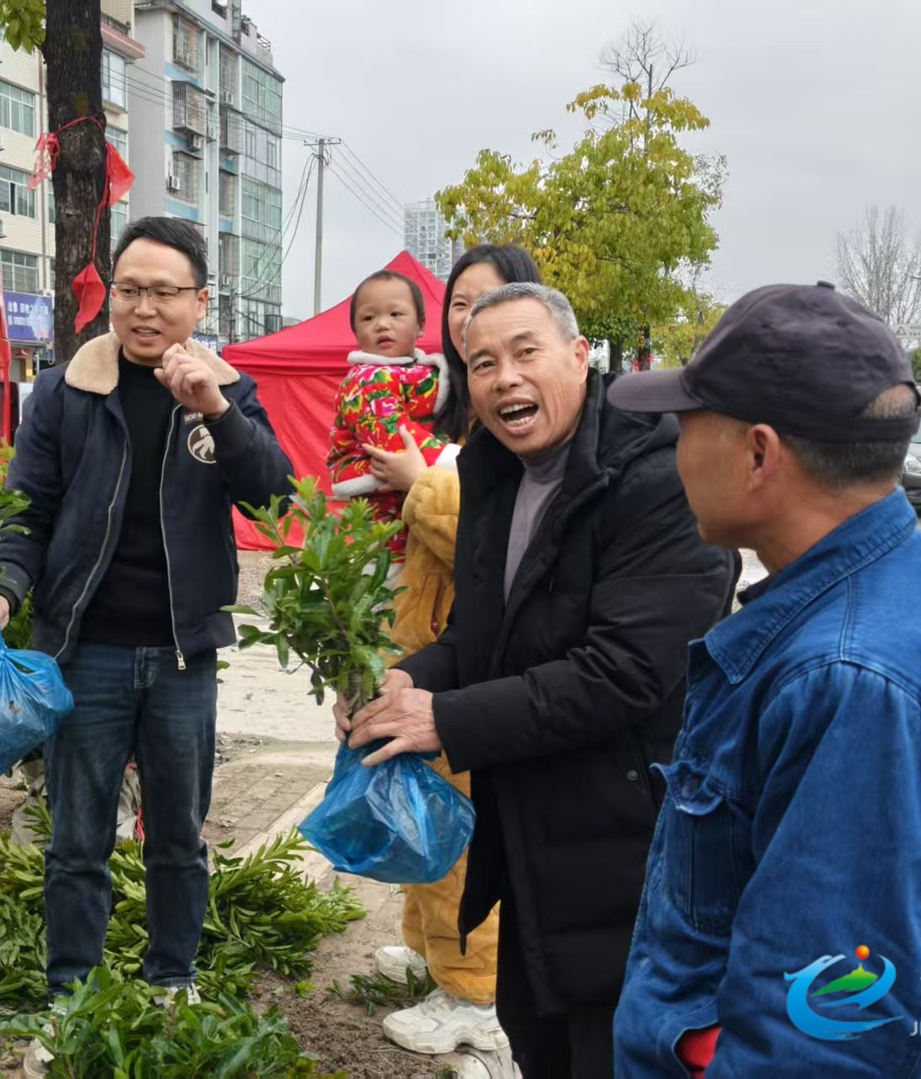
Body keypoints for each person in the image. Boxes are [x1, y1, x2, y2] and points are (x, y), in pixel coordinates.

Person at [608, 282, 921, 1077]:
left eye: (686, 424)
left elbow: (818, 1042)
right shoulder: (892, 580)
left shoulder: (852, 681)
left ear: (759, 454)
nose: (673, 448)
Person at [340, 281, 737, 1077]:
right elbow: (483, 635)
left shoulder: (658, 478)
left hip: (630, 846)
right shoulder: (495, 472)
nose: (504, 378)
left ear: (579, 356)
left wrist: (444, 719)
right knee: (536, 1036)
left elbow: (622, 673)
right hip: (529, 841)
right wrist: (403, 680)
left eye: (526, 352)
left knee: (615, 1049)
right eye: (482, 362)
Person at [0, 218, 293, 1019]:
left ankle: (171, 982)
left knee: (179, 837)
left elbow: (271, 495)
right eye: (129, 290)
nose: (144, 308)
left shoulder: (228, 392)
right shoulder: (64, 391)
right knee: (76, 840)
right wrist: (3, 591)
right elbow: (27, 513)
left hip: (184, 656)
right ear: (109, 296)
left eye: (163, 292)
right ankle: (71, 995)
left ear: (199, 302)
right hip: (86, 654)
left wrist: (216, 410)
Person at [355, 245, 543, 1062]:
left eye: (488, 302)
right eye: (459, 304)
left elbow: (494, 539)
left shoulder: (512, 421)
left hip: (475, 668)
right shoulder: (444, 409)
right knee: (420, 830)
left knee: (459, 843)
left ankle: (474, 997)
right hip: (422, 646)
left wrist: (416, 479)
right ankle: (433, 954)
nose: (467, 319)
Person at [326, 270, 454, 561]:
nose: (382, 324)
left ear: (421, 325)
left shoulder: (429, 373)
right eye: (368, 318)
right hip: (383, 520)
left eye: (396, 314)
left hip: (426, 507)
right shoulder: (365, 380)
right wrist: (458, 461)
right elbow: (396, 435)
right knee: (387, 585)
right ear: (355, 332)